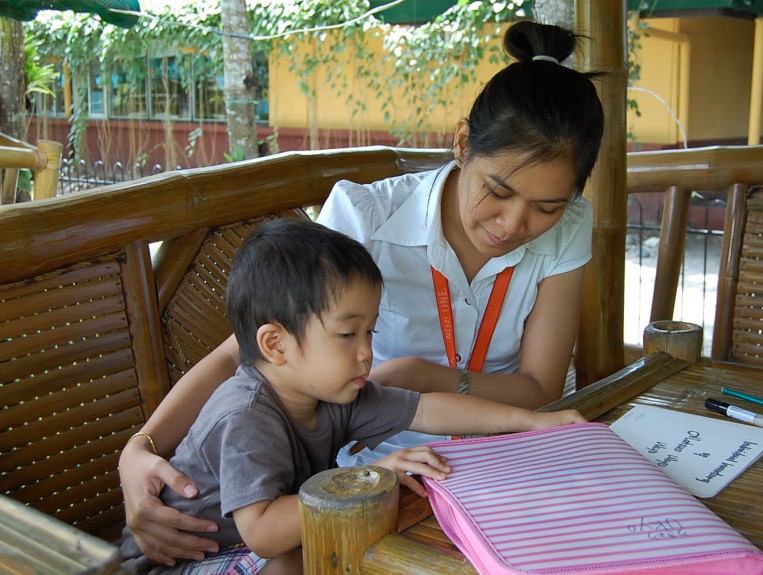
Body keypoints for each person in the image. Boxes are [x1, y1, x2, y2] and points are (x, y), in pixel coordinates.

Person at [119, 20, 604, 566]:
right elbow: (248, 350)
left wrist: (425, 377)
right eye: (498, 191)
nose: (514, 223)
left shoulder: (569, 226)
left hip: (474, 465)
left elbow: (528, 388)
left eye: (547, 207)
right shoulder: (366, 218)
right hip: (358, 481)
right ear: (464, 144)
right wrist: (140, 449)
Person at [119, 218, 582, 574]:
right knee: (296, 561)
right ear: (275, 344)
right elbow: (262, 532)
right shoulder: (245, 416)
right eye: (347, 334)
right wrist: (368, 478)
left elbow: (429, 407)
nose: (367, 352)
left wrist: (535, 422)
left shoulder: (334, 391)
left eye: (370, 331)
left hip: (251, 546)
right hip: (184, 559)